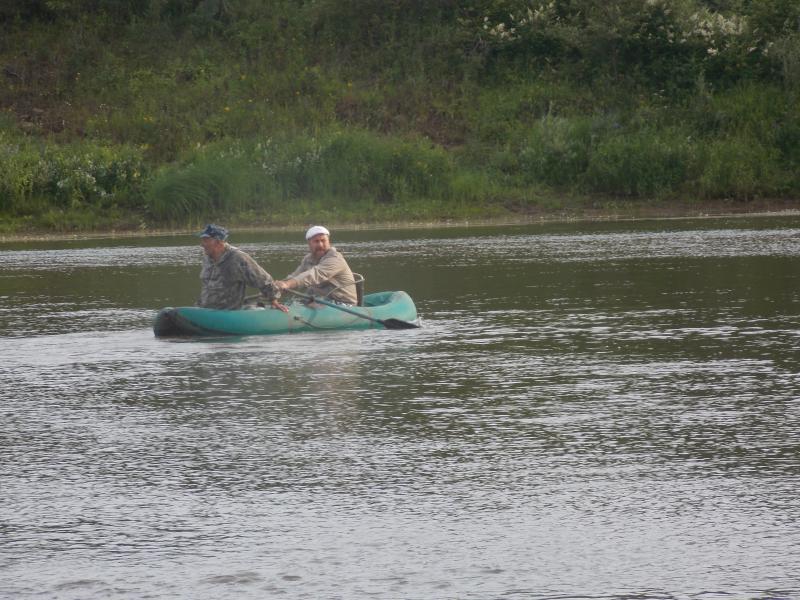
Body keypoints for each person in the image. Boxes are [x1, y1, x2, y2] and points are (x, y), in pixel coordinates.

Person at [196, 224, 287, 312]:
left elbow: (262, 279)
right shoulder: (207, 257)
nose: (202, 244)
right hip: (205, 309)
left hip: (227, 313)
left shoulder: (238, 258)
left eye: (206, 240)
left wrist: (273, 300)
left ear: (218, 242)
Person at [273, 225, 358, 305]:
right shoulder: (308, 259)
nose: (320, 245)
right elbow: (296, 276)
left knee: (309, 304)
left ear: (329, 242)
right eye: (316, 241)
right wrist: (279, 285)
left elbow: (315, 274)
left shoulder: (335, 258)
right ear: (309, 244)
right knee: (293, 303)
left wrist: (287, 284)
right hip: (322, 300)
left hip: (343, 303)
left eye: (323, 241)